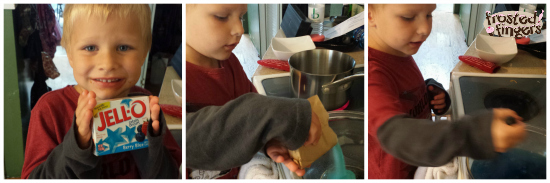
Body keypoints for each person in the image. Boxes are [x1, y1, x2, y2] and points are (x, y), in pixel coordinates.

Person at [21, 4, 181, 179]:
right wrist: (78, 146)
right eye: (90, 48)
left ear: (144, 53)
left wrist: (150, 142)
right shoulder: (50, 110)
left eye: (123, 47)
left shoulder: (148, 105)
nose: (107, 63)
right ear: (70, 55)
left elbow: (172, 174)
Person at [368, 4, 526, 179]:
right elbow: (396, 134)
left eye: (429, 14)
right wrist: (476, 134)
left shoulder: (396, 50)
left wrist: (427, 92)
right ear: (370, 15)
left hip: (419, 162)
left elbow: (400, 93)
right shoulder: (372, 74)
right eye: (408, 17)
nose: (425, 29)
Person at [185, 4, 322, 179]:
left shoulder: (229, 63)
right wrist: (274, 113)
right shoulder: (183, 83)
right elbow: (192, 141)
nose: (240, 29)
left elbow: (241, 126)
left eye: (241, 17)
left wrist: (265, 138)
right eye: (221, 16)